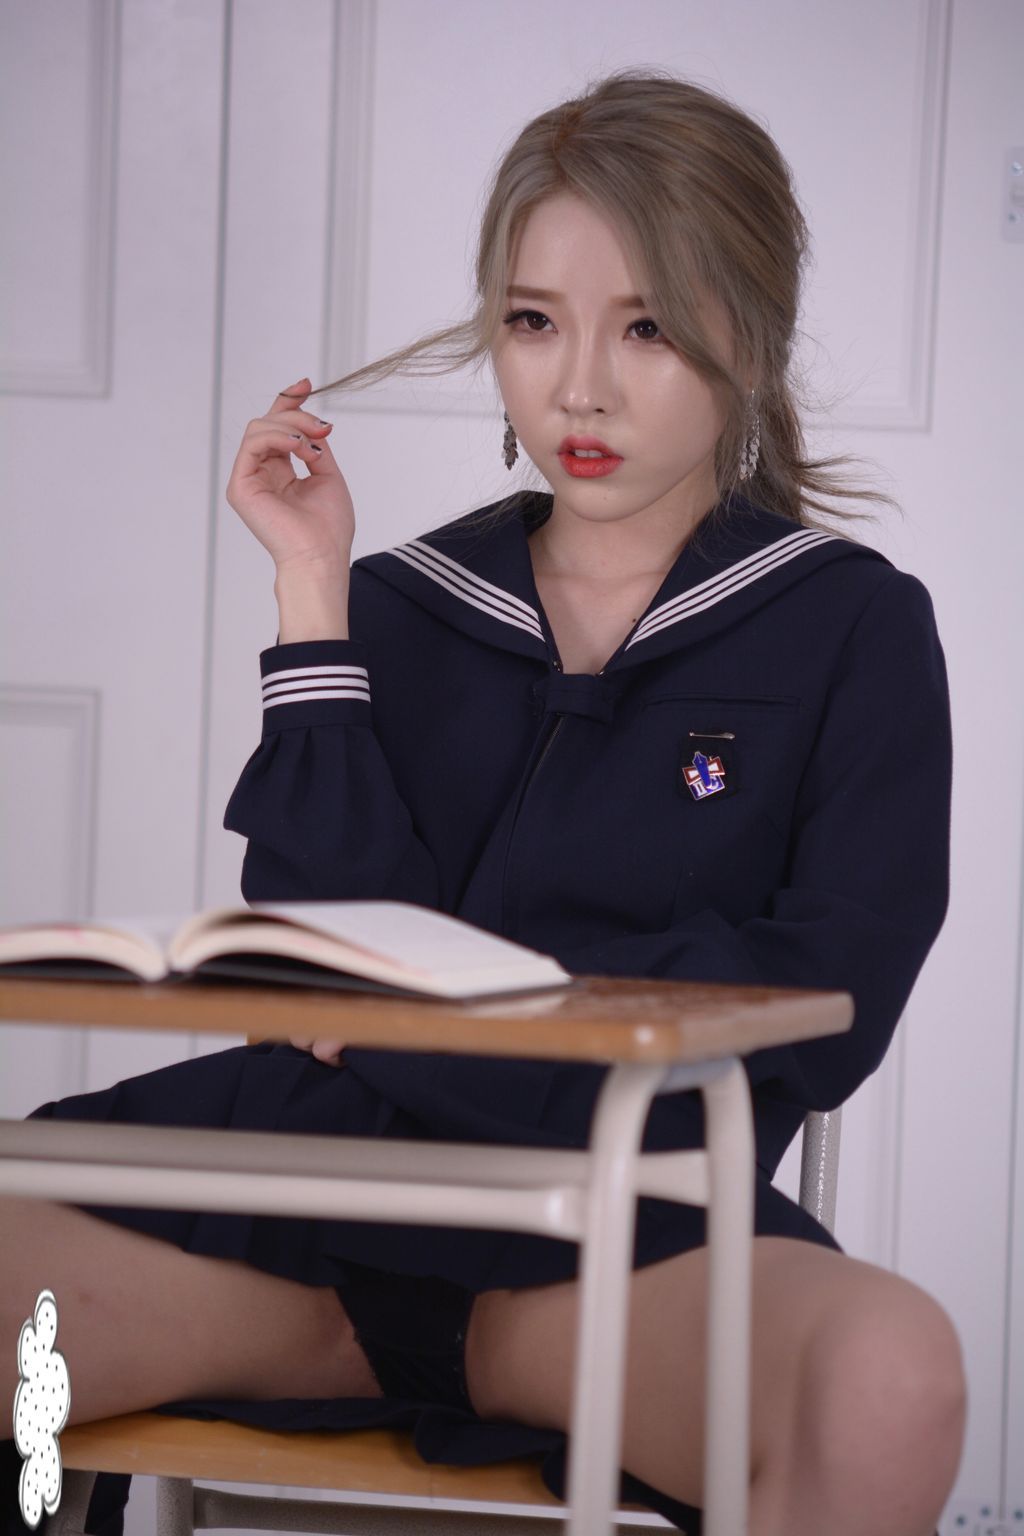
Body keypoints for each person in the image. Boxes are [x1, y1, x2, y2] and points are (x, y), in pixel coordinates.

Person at [1, 68, 965, 1536]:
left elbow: (823, 1010)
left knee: (889, 1380)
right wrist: (312, 593)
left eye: (647, 326)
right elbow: (315, 958)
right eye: (532, 321)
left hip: (616, 1260)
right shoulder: (399, 603)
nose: (579, 388)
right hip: (287, 1242)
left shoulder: (850, 628)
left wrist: (422, 1028)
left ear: (751, 334)